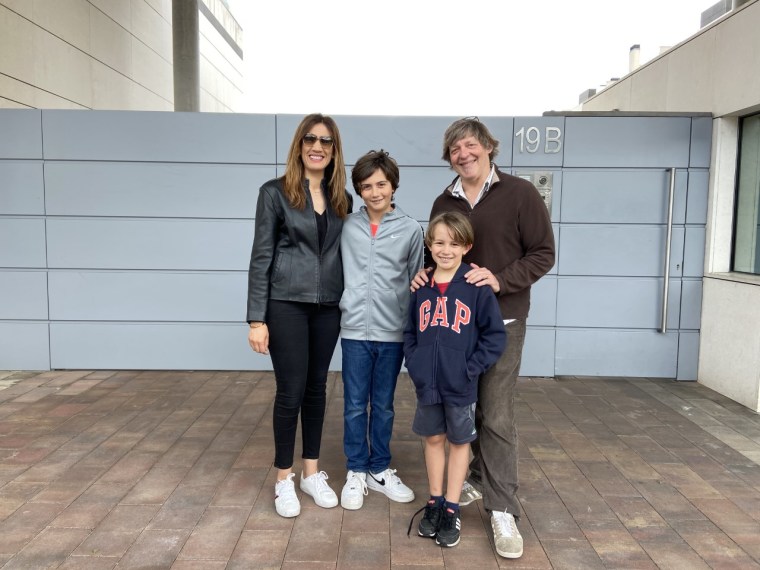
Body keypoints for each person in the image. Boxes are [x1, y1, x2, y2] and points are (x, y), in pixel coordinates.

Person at [412, 117, 555, 558]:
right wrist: (423, 274)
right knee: (459, 407)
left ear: (489, 147)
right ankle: (471, 480)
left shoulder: (520, 194)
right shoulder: (443, 198)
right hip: (450, 326)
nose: (464, 154)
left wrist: (500, 279)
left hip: (502, 322)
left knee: (493, 414)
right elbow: (437, 248)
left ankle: (502, 508)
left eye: (471, 145)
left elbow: (543, 253)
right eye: (455, 149)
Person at [246, 113, 352, 518]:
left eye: (326, 141)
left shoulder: (342, 198)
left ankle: (311, 472)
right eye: (310, 138)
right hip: (285, 303)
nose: (317, 146)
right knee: (290, 392)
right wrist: (257, 318)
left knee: (317, 388)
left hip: (327, 308)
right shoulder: (275, 193)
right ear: (299, 144)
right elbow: (261, 256)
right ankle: (283, 478)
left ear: (334, 150)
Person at [405, 211, 506, 548]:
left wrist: (470, 367)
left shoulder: (475, 287)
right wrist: (416, 362)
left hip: (460, 383)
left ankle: (452, 508)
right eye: (439, 242)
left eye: (454, 243)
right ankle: (434, 502)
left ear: (467, 246)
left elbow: (494, 336)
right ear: (429, 245)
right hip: (427, 383)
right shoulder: (422, 286)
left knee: (459, 441)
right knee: (433, 439)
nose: (446, 249)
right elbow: (410, 331)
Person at [338, 150, 424, 510]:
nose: (374, 192)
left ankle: (379, 468)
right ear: (358, 189)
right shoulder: (346, 226)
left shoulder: (412, 229)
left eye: (381, 184)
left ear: (393, 185)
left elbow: (417, 280)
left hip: (392, 332)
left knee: (384, 405)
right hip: (354, 330)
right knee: (355, 405)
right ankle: (356, 470)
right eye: (366, 185)